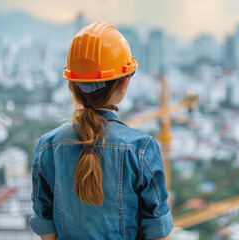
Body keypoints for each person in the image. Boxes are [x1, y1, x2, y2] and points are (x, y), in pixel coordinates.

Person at [29, 21, 173, 240]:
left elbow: (46, 227)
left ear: (72, 86)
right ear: (124, 83)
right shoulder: (140, 149)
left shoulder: (47, 148)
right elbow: (157, 231)